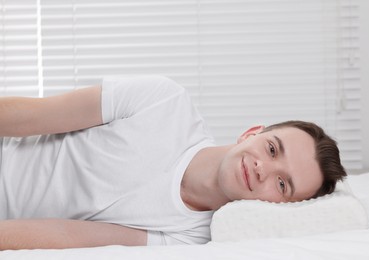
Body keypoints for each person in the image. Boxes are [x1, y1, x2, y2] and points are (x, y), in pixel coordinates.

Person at [0, 75, 346, 250]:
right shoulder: (164, 101)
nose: (263, 169)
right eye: (272, 149)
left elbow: (68, 235)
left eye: (282, 184)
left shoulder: (191, 240)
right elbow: (31, 116)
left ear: (280, 207)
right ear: (252, 132)